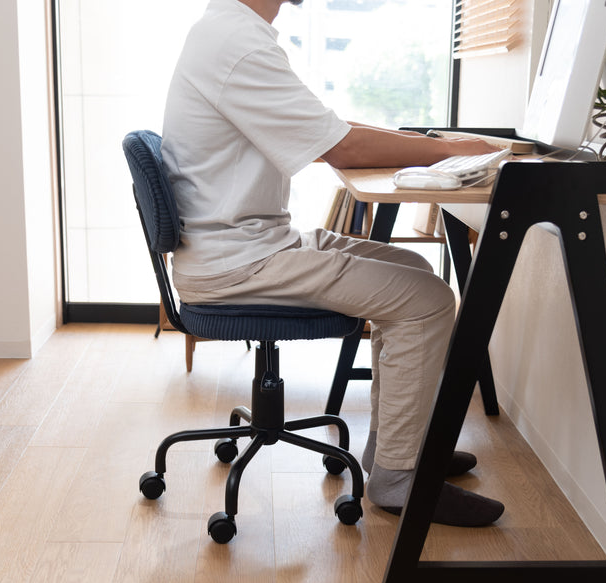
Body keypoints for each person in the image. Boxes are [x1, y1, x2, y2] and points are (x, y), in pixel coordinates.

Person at [161, 0, 504, 527]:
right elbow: (340, 148)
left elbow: (325, 130)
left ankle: (398, 449)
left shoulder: (232, 30)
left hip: (245, 242)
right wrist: (452, 149)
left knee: (413, 269)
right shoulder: (237, 42)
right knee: (429, 302)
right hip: (239, 258)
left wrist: (436, 146)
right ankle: (399, 480)